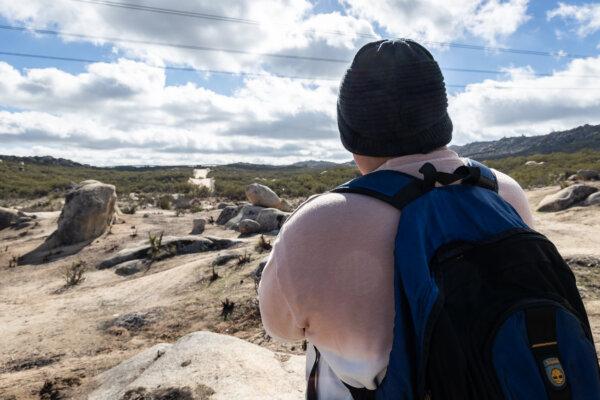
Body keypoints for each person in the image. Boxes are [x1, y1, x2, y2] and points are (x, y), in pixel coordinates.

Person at [258, 39, 597, 399]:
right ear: (440, 117)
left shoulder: (317, 224)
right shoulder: (504, 192)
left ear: (350, 130)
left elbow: (280, 328)